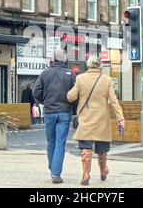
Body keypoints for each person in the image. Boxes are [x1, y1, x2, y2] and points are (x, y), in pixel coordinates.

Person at [67, 56, 125, 186]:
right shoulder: (107, 80)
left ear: (88, 66)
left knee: (86, 149)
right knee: (102, 150)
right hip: (102, 121)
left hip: (86, 120)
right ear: (99, 66)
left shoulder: (80, 78)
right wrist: (120, 118)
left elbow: (71, 97)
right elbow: (114, 101)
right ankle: (103, 170)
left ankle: (86, 174)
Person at [32, 49, 76, 184]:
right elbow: (75, 94)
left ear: (53, 59)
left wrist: (44, 101)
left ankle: (53, 168)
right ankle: (56, 173)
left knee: (51, 141)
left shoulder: (45, 73)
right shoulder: (70, 74)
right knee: (60, 143)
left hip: (49, 111)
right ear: (64, 59)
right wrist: (72, 106)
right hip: (64, 111)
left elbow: (36, 91)